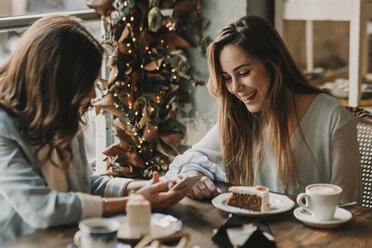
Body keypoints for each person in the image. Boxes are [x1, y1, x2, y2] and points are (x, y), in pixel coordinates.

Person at [0, 15, 188, 243]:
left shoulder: (60, 114)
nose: (92, 94)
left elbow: (86, 185)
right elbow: (42, 209)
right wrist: (134, 203)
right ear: (55, 81)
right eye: (85, 83)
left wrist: (139, 188)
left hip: (70, 238)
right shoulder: (4, 127)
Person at [166, 15, 361, 204]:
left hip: (314, 237)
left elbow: (348, 208)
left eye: (244, 73)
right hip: (250, 232)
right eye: (226, 78)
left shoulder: (332, 118)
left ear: (274, 61)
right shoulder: (239, 115)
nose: (234, 88)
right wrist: (193, 174)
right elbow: (192, 158)